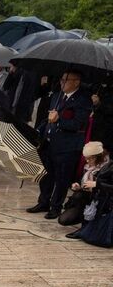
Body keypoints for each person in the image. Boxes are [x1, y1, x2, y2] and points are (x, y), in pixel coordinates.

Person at [28, 71, 93, 219]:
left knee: (62, 178)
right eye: (62, 79)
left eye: (66, 80)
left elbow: (78, 124)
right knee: (46, 175)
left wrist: (58, 121)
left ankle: (56, 206)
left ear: (76, 82)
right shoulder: (57, 96)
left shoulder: (83, 100)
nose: (62, 83)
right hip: (50, 143)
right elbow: (49, 117)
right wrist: (39, 130)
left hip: (67, 147)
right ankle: (43, 201)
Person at [64, 142, 109, 238]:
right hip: (88, 197)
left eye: (90, 158)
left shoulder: (108, 167)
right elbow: (83, 183)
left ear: (98, 157)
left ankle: (86, 228)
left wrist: (96, 185)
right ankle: (86, 222)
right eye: (86, 158)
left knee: (79, 196)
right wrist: (78, 186)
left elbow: (109, 186)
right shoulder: (88, 167)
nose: (87, 161)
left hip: (102, 200)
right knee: (64, 220)